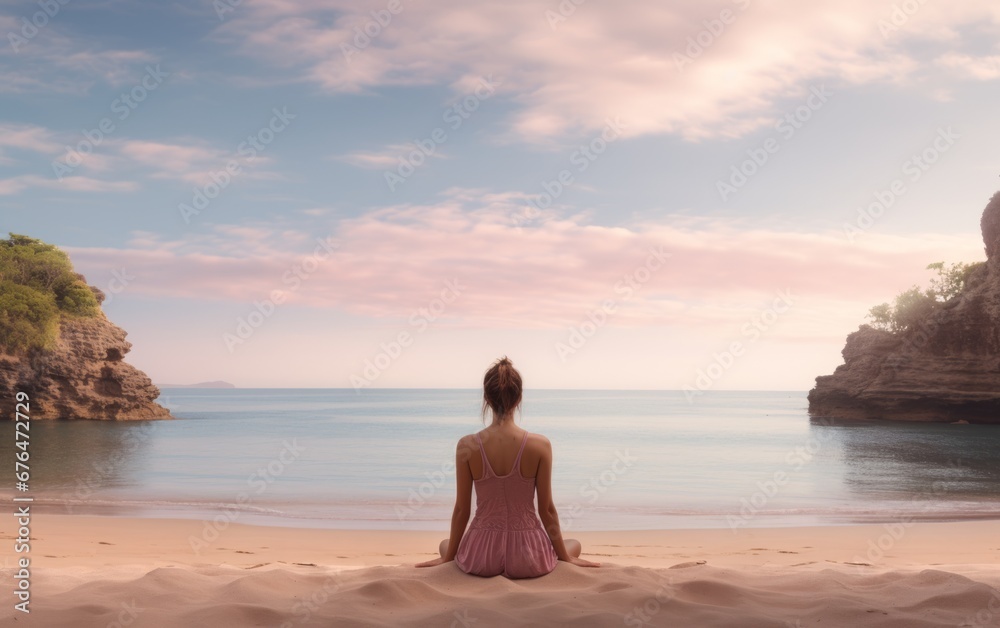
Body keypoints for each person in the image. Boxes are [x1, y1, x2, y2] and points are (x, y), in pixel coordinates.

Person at [415, 356, 600, 577]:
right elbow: (547, 510)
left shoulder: (467, 445)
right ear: (519, 398)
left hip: (482, 556)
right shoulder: (540, 445)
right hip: (527, 556)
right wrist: (565, 557)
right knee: (574, 544)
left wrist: (448, 558)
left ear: (486, 398)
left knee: (446, 544)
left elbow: (462, 510)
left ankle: (450, 553)